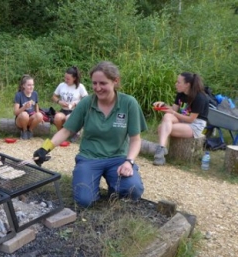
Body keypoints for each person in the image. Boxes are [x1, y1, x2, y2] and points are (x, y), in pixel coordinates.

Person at [32, 61, 147, 207]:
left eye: (103, 83)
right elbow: (66, 130)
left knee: (133, 190)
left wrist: (129, 162)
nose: (97, 88)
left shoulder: (129, 103)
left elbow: (135, 140)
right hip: (89, 157)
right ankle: (90, 184)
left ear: (115, 81)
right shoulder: (86, 103)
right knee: (84, 201)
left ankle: (115, 188)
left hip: (118, 158)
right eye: (94, 83)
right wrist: (44, 148)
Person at [152, 72, 210, 166]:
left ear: (187, 84)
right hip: (182, 119)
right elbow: (173, 110)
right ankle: (161, 150)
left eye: (178, 82)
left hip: (195, 124)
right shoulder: (181, 94)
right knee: (167, 117)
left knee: (161, 128)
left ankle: (160, 154)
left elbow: (190, 119)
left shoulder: (200, 98)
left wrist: (174, 113)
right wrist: (162, 106)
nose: (176, 84)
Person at [52, 66, 88, 141]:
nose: (66, 80)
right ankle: (60, 134)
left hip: (75, 111)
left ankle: (76, 133)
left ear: (74, 78)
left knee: (68, 118)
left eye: (68, 79)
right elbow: (54, 97)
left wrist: (76, 103)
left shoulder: (80, 87)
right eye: (65, 78)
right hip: (64, 109)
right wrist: (59, 101)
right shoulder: (61, 85)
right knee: (57, 117)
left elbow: (86, 99)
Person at [13, 75, 43, 140]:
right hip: (20, 120)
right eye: (29, 85)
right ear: (23, 86)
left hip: (31, 119)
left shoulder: (35, 94)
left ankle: (30, 130)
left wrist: (38, 114)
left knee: (40, 115)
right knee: (24, 114)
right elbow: (15, 112)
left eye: (32, 85)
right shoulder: (19, 95)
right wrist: (24, 107)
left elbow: (36, 105)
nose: (31, 87)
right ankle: (24, 131)